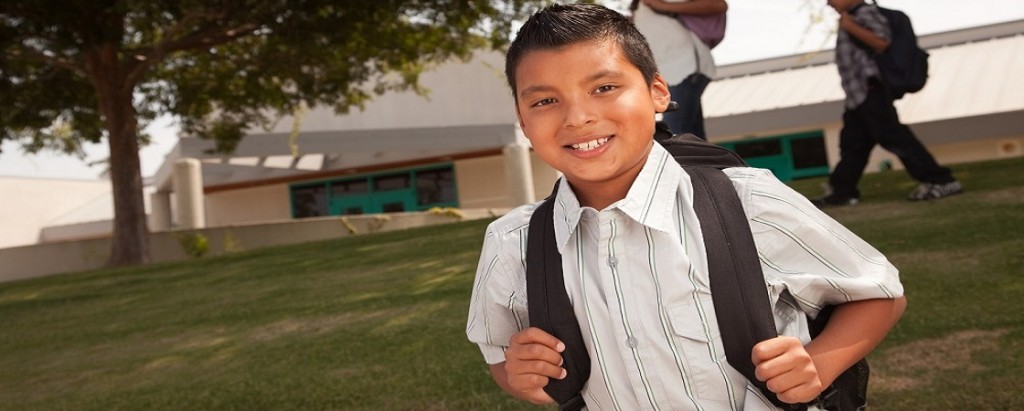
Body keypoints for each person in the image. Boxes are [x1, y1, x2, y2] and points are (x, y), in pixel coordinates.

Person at [466, 3, 906, 410]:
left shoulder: (746, 201)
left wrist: (819, 364)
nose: (577, 117)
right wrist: (521, 376)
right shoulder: (513, 243)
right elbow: (501, 356)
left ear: (658, 92)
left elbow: (880, 294)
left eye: (604, 87)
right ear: (523, 120)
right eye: (545, 100)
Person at [815, 0, 962, 207]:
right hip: (858, 95)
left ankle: (941, 180)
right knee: (854, 144)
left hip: (870, 90)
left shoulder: (863, 13)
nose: (829, 2)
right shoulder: (851, 16)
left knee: (894, 137)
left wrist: (851, 27)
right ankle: (842, 191)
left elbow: (882, 42)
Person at [629, 0, 727, 139]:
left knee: (674, 134)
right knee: (691, 135)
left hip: (684, 68)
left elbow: (717, 4)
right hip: (673, 72)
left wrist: (663, 6)